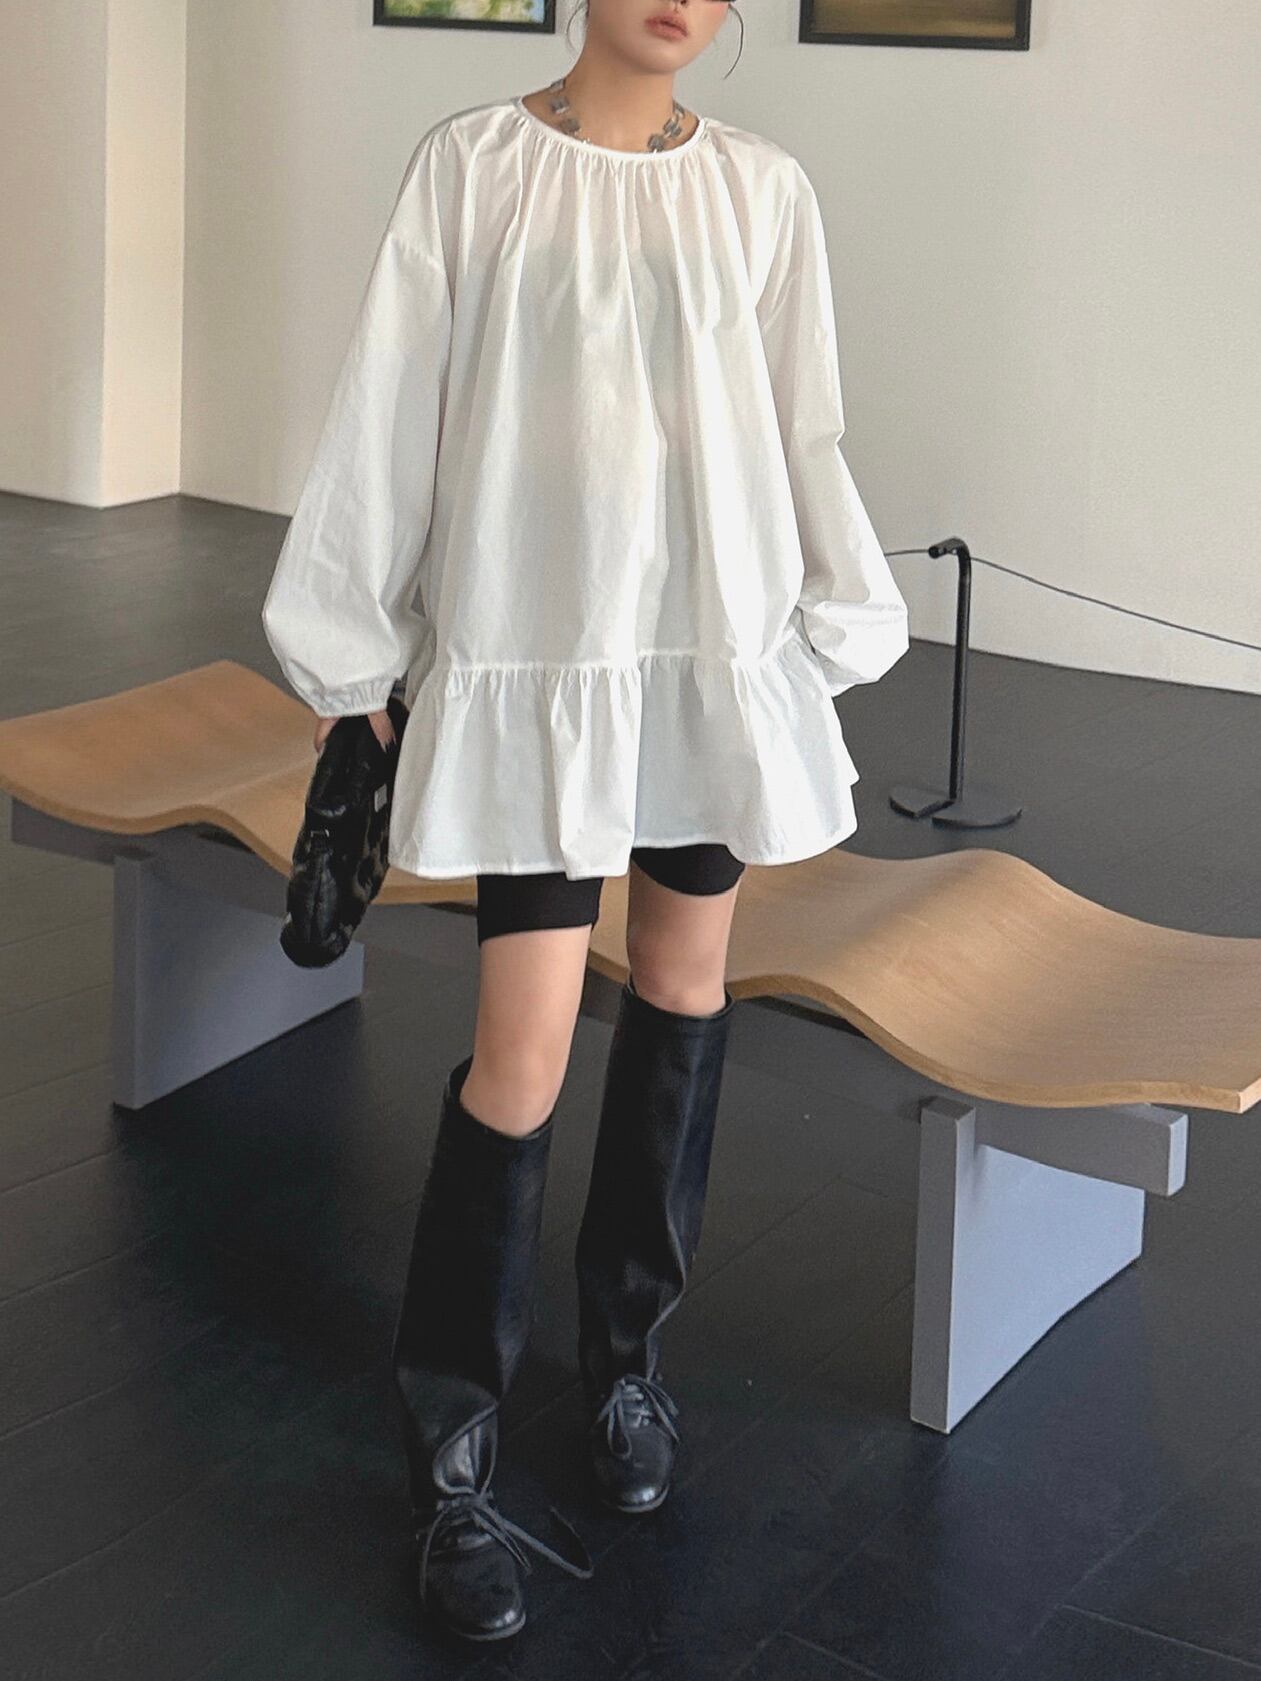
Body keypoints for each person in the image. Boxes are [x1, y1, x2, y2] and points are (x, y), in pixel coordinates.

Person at [260, 0, 910, 1648]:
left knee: (685, 996)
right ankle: (452, 1446)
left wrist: (828, 621)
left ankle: (625, 1366)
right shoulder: (474, 167)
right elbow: (391, 402)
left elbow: (800, 422)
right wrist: (352, 647)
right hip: (538, 652)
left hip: (705, 659)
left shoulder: (760, 189)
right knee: (523, 1054)